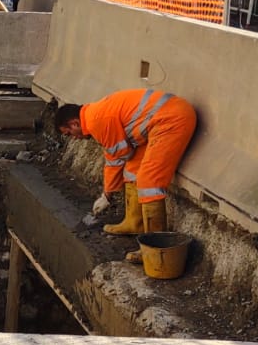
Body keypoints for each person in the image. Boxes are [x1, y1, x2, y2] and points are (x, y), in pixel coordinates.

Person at [55, 89, 198, 236]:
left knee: (148, 181)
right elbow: (120, 155)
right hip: (162, 117)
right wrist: (107, 194)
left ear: (74, 123)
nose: (73, 138)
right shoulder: (93, 115)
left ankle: (154, 243)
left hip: (171, 119)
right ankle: (134, 223)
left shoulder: (96, 121)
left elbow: (118, 156)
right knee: (131, 171)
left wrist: (106, 195)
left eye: (69, 133)